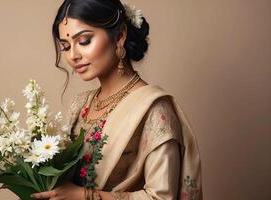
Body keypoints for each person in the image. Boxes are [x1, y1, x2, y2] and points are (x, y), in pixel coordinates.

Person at [30, 0, 202, 199]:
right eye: (66, 46)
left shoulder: (154, 109)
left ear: (120, 36)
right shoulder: (80, 105)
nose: (73, 55)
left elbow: (162, 197)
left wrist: (87, 196)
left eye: (84, 41)